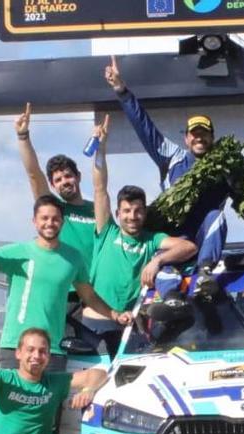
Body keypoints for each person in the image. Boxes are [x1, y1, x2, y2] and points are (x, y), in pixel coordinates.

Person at [105, 55, 228, 300]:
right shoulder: (173, 157)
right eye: (194, 134)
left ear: (212, 137)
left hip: (203, 242)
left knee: (216, 216)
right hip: (173, 241)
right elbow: (145, 129)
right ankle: (173, 304)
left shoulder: (226, 166)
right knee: (163, 272)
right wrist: (122, 91)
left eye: (204, 134)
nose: (199, 138)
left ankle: (205, 273)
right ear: (187, 138)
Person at [0, 195, 130, 369]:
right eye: (44, 218)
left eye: (55, 219)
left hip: (52, 351)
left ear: (62, 222)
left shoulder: (73, 258)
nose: (50, 223)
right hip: (16, 349)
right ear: (34, 221)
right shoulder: (18, 252)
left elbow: (88, 296)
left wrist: (114, 314)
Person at [85, 114, 197, 355]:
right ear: (117, 212)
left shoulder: (152, 239)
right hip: (95, 323)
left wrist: (158, 260)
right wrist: (101, 147)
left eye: (137, 211)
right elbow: (99, 188)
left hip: (130, 325)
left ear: (145, 213)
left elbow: (189, 248)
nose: (132, 216)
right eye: (126, 211)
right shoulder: (107, 231)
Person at [15, 102, 98, 273]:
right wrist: (23, 136)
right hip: (66, 291)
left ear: (78, 177)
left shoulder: (97, 209)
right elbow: (33, 173)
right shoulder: (55, 210)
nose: (64, 181)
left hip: (95, 290)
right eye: (58, 180)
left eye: (68, 176)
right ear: (52, 185)